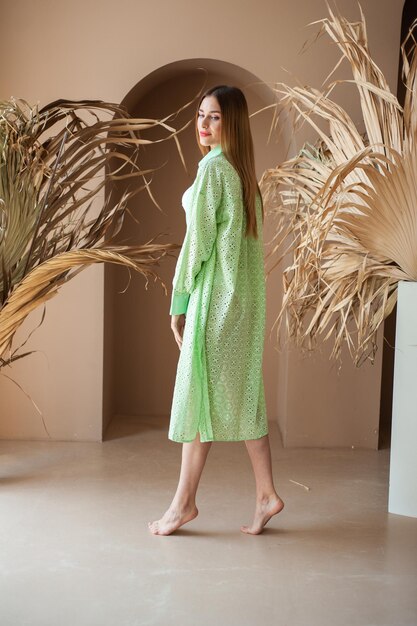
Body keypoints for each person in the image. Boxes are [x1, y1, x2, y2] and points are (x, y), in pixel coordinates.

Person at [148, 85, 284, 536]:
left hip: (216, 303)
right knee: (244, 395)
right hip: (244, 305)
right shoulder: (245, 176)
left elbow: (197, 246)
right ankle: (265, 494)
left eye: (215, 117)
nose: (203, 125)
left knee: (202, 397)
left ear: (233, 124)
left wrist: (179, 301)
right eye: (201, 115)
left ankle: (182, 505)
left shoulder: (212, 170)